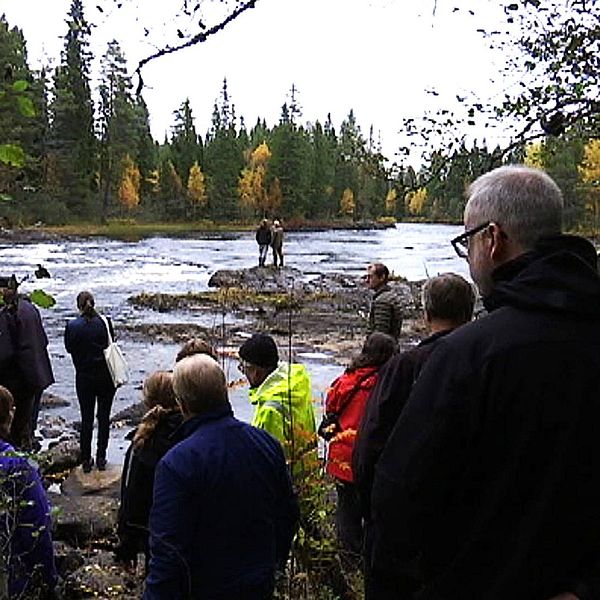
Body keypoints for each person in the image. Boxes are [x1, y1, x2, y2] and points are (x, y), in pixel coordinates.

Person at [370, 165, 600, 600]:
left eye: (467, 241)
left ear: (492, 240)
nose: (469, 256)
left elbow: (399, 501)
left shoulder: (467, 355)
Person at [353, 273, 475, 598]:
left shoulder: (403, 367)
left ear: (425, 315)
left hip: (401, 538)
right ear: (471, 312)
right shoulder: (487, 364)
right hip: (472, 532)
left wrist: (371, 514)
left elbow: (368, 448)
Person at [144, 354, 299, 599]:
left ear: (182, 405)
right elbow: (288, 515)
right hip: (258, 585)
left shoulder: (177, 464)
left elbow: (168, 552)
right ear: (224, 393)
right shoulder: (267, 444)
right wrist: (273, 565)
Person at [321, 332, 396, 566]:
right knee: (372, 513)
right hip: (371, 458)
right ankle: (366, 560)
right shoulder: (386, 384)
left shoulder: (347, 379)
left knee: (346, 513)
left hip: (341, 455)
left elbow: (330, 404)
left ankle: (348, 560)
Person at [115, 371, 183, 570]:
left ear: (148, 402)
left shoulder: (143, 444)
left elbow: (132, 496)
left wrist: (126, 541)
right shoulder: (192, 433)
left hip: (152, 531)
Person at [0, 385, 57, 598]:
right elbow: (38, 523)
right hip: (13, 575)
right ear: (9, 416)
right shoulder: (19, 466)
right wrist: (49, 578)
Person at [238, 333, 316, 476]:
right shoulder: (295, 385)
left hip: (288, 486)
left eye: (244, 369)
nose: (244, 374)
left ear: (256, 372)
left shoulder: (270, 410)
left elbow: (267, 463)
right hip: (308, 475)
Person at [64, 291, 117, 473]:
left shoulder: (72, 326)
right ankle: (101, 458)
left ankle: (86, 460)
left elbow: (69, 348)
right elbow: (112, 342)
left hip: (84, 377)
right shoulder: (105, 322)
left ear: (79, 306)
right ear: (94, 303)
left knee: (86, 419)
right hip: (106, 377)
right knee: (104, 418)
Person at [0, 275, 54, 450]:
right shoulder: (30, 308)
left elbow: (5, 353)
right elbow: (43, 340)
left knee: (14, 427)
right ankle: (28, 451)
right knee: (27, 422)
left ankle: (15, 461)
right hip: (37, 374)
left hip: (17, 379)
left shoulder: (7, 314)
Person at [365, 263, 403, 341]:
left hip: (383, 350)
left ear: (382, 277)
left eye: (371, 277)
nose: (367, 280)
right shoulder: (390, 296)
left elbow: (380, 336)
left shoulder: (382, 301)